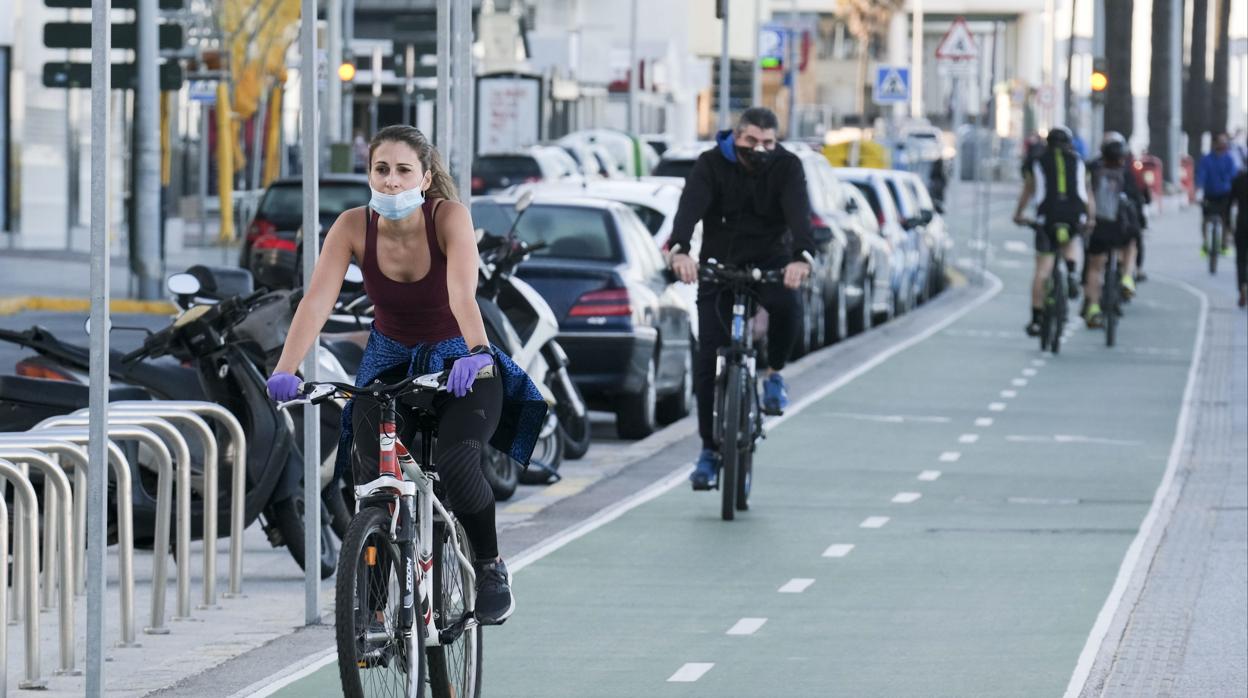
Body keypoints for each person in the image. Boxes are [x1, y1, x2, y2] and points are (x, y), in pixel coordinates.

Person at [265, 125, 547, 625]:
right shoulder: (352, 226)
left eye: (402, 171)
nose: (391, 182)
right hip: (389, 360)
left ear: (425, 176)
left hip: (460, 360)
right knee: (371, 477)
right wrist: (286, 369)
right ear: (369, 174)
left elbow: (463, 295)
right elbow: (316, 301)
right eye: (381, 170)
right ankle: (374, 607)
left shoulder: (450, 218)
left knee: (459, 464)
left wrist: (477, 353)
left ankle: (489, 566)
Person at [666, 107, 815, 490]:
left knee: (787, 305)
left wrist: (801, 258)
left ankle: (775, 374)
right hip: (719, 265)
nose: (760, 149)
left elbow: (800, 216)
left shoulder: (788, 167)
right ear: (736, 136)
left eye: (768, 143)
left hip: (771, 262)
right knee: (707, 359)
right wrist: (680, 250)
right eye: (751, 141)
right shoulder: (711, 164)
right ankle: (709, 451)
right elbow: (689, 210)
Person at [1013, 126, 1093, 337]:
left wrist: (1019, 214)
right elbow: (1087, 193)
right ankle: (1072, 271)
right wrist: (1090, 218)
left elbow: (1028, 191)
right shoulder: (1079, 162)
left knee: (1042, 269)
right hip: (1074, 216)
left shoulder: (1037, 161)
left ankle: (1037, 319)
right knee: (1072, 242)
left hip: (1047, 218)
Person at [1083, 132, 1146, 327]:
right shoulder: (1127, 172)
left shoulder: (1093, 168)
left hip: (1099, 225)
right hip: (1122, 227)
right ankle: (1127, 277)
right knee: (1132, 244)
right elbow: (1138, 198)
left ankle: (1093, 307)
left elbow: (1085, 193)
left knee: (1094, 267)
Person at [1196, 133, 1240, 256]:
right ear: (1214, 144)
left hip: (1225, 194)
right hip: (1209, 194)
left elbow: (1234, 176)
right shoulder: (1206, 159)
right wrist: (1199, 189)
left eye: (1224, 142)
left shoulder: (1229, 159)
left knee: (1226, 220)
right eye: (1220, 142)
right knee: (1205, 219)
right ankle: (1205, 244)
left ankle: (1224, 244)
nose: (1223, 144)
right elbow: (1201, 175)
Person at [1232, 168, 1248, 307]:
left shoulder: (1239, 180)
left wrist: (1227, 225)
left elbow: (1229, 202)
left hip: (1242, 223)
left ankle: (1243, 285)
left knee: (1241, 259)